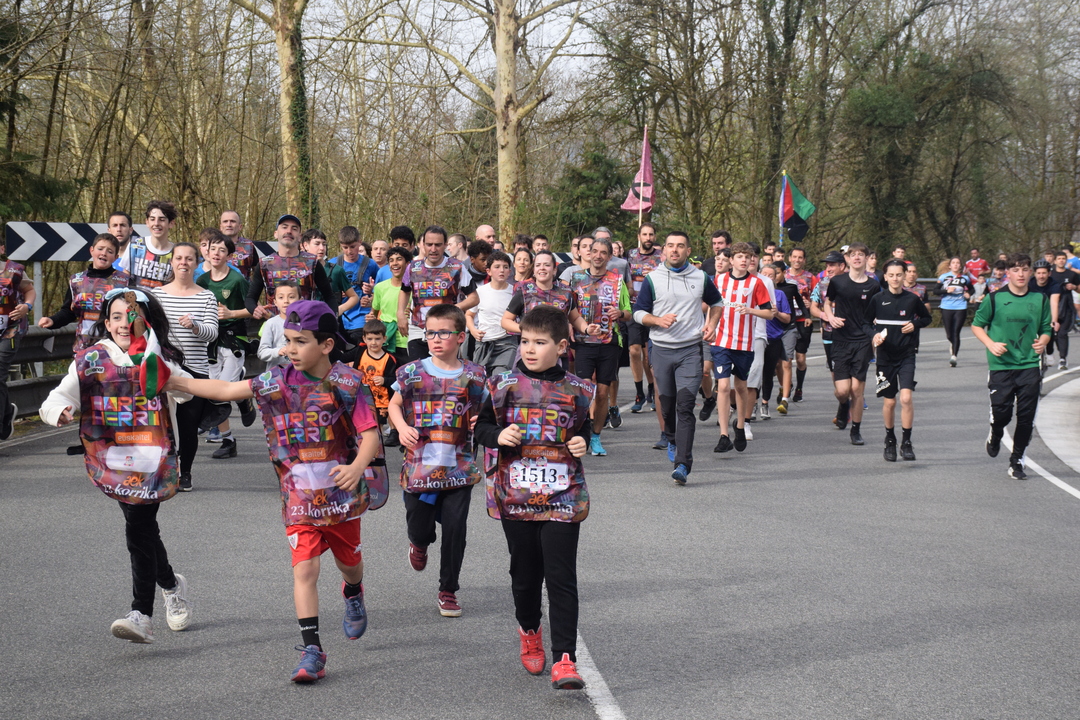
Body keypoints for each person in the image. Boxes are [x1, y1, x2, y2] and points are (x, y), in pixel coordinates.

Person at [165, 299, 384, 682]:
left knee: (349, 564)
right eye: (287, 340)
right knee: (305, 569)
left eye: (300, 341)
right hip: (298, 499)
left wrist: (356, 467)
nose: (290, 349)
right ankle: (312, 650)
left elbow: (370, 435)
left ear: (326, 345)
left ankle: (353, 592)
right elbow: (225, 389)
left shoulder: (348, 383)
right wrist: (173, 381)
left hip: (341, 497)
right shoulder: (276, 381)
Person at [40, 288, 192, 644]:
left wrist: (159, 365)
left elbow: (185, 392)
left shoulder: (158, 354)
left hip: (153, 459)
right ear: (107, 323)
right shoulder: (90, 360)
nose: (125, 324)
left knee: (138, 528)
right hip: (112, 460)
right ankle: (171, 585)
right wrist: (59, 411)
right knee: (143, 529)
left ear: (146, 320)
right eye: (117, 317)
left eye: (133, 316)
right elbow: (57, 396)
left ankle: (141, 614)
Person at [474, 305, 592, 689]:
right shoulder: (501, 385)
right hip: (517, 496)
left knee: (561, 577)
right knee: (525, 577)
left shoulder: (578, 390)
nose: (529, 348)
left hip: (563, 495)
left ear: (561, 347)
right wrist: (497, 435)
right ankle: (529, 630)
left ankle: (565, 659)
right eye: (525, 341)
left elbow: (583, 428)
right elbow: (481, 428)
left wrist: (582, 441)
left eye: (540, 343)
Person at [387, 305, 487, 618]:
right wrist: (401, 427)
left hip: (459, 467)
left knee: (456, 529)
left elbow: (489, 410)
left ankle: (448, 590)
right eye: (431, 333)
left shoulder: (475, 376)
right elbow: (394, 404)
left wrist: (483, 421)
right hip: (420, 467)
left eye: (444, 332)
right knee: (420, 527)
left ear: (461, 337)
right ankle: (419, 543)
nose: (436, 339)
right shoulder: (412, 372)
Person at [632, 231, 722, 484]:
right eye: (670, 245)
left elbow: (717, 303)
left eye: (680, 246)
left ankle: (682, 463)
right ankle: (670, 437)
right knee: (667, 405)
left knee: (685, 405)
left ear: (687, 251)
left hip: (690, 349)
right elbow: (638, 312)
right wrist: (656, 320)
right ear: (664, 251)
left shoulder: (700, 277)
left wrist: (711, 324)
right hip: (661, 349)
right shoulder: (653, 278)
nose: (674, 250)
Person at [972, 254, 1052, 480]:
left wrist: (1043, 341)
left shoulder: (1040, 299)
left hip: (1029, 365)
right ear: (1008, 273)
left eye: (1025, 269)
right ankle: (996, 432)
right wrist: (990, 344)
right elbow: (977, 325)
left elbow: (1046, 328)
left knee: (1026, 418)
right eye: (1016, 270)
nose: (1021, 274)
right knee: (1002, 414)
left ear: (1031, 273)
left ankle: (1017, 460)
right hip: (1001, 365)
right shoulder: (994, 298)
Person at [152, 243, 220, 490]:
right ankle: (163, 470)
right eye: (179, 258)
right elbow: (150, 332)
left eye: (189, 259)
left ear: (196, 263)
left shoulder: (206, 296)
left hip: (195, 371)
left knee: (188, 426)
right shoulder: (157, 295)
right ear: (172, 262)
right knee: (162, 424)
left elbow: (212, 333)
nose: (183, 263)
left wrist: (195, 326)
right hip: (165, 369)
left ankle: (186, 473)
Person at [705, 242, 774, 453]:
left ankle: (741, 426)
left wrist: (751, 310)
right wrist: (709, 326)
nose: (744, 260)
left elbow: (769, 313)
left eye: (747, 256)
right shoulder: (719, 280)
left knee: (741, 387)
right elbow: (712, 306)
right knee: (723, 386)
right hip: (721, 342)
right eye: (739, 256)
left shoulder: (756, 283)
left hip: (744, 343)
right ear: (731, 260)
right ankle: (723, 435)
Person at [568, 237, 631, 457]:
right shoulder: (576, 278)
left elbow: (629, 312)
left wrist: (620, 313)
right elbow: (567, 308)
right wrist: (569, 325)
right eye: (594, 251)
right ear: (587, 253)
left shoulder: (617, 280)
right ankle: (581, 433)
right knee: (584, 390)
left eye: (603, 252)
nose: (598, 256)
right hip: (583, 342)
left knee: (603, 393)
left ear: (609, 256)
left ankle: (595, 436)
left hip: (609, 342)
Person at [196, 228, 256, 458]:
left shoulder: (237, 280)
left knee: (219, 392)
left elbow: (253, 309)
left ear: (229, 256)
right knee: (215, 392)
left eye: (222, 250)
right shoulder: (201, 281)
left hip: (233, 340)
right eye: (213, 249)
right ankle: (229, 438)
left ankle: (238, 389)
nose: (216, 253)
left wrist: (232, 314)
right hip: (210, 342)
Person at [869, 259, 932, 462]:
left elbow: (927, 318)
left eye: (899, 275)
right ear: (885, 277)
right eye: (891, 275)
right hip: (885, 357)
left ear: (904, 276)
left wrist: (915, 324)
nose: (895, 278)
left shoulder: (912, 299)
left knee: (906, 398)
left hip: (906, 355)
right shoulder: (877, 299)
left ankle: (906, 442)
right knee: (890, 401)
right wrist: (874, 335)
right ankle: (890, 440)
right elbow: (864, 323)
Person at [822, 242, 880, 446]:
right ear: (847, 259)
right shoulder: (837, 281)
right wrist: (830, 318)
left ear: (866, 258)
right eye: (852, 254)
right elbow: (827, 303)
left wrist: (876, 331)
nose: (856, 257)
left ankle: (856, 430)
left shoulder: (873, 285)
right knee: (842, 391)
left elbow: (877, 310)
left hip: (863, 340)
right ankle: (842, 405)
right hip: (840, 339)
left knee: (856, 390)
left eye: (860, 254)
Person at [397, 226, 480, 361]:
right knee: (419, 370)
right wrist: (400, 313)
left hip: (446, 330)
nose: (433, 249)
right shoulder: (413, 267)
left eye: (438, 245)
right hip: (418, 328)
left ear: (445, 245)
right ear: (422, 245)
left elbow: (474, 298)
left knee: (445, 370)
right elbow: (405, 291)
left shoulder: (457, 267)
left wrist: (453, 309)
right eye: (429, 244)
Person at [39, 233, 131, 351]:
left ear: (116, 257)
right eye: (100, 249)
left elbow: (134, 313)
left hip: (115, 347)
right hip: (84, 346)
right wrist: (52, 320)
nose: (104, 253)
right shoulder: (76, 280)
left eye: (109, 251)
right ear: (91, 250)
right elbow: (69, 312)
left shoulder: (125, 282)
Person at [244, 214, 336, 320]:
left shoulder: (312, 262)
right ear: (276, 234)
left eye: (294, 228)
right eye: (284, 227)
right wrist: (255, 309)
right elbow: (250, 298)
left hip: (305, 323)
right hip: (274, 322)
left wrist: (331, 317)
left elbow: (329, 296)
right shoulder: (264, 264)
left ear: (300, 236)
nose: (289, 231)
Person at [626, 222, 663, 415]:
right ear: (639, 236)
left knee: (649, 356)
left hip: (654, 309)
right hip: (634, 307)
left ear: (655, 237)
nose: (648, 238)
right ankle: (639, 393)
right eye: (644, 234)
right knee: (634, 351)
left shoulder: (661, 257)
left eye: (651, 234)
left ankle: (652, 389)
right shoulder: (630, 256)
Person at [468, 251, 517, 376]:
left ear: (510, 271)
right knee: (480, 379)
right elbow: (469, 314)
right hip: (484, 342)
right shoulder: (480, 291)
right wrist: (473, 330)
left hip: (507, 343)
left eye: (505, 267)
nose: (502, 270)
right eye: (497, 267)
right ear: (488, 271)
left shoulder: (515, 292)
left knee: (499, 376)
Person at [328, 226, 378, 344]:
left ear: (360, 242)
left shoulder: (370, 264)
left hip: (361, 318)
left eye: (352, 247)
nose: (349, 251)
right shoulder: (332, 264)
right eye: (345, 247)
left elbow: (382, 289)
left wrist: (372, 292)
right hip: (338, 318)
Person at [762, 263, 799, 415]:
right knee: (754, 372)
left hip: (774, 337)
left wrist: (776, 313)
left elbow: (787, 318)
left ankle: (765, 403)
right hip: (756, 337)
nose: (767, 278)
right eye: (764, 275)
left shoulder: (779, 295)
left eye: (771, 275)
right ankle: (753, 404)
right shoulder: (752, 292)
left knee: (769, 371)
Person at [355, 317, 398, 447]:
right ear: (364, 339)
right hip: (363, 396)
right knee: (367, 423)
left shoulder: (389, 358)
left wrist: (384, 380)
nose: (373, 342)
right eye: (370, 339)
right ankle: (370, 445)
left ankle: (389, 438)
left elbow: (395, 379)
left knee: (380, 422)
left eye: (377, 339)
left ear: (384, 339)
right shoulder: (360, 352)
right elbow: (343, 358)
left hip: (382, 399)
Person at [784, 246, 817, 403]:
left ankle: (799, 387)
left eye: (800, 257)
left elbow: (819, 298)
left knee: (801, 359)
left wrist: (811, 304)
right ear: (789, 258)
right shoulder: (782, 275)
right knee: (786, 359)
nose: (797, 260)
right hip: (786, 321)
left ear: (804, 260)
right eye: (794, 257)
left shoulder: (810, 278)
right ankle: (787, 385)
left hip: (803, 321)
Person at [120, 200, 177, 288]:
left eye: (162, 220)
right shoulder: (135, 245)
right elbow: (125, 275)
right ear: (147, 222)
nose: (156, 223)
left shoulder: (176, 252)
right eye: (152, 219)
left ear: (171, 223)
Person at [302, 229, 357, 317]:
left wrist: (338, 310)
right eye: (317, 244)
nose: (321, 248)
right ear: (305, 245)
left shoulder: (336, 271)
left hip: (328, 319)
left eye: (324, 244)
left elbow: (354, 297)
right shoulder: (298, 271)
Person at [371, 246, 410, 366]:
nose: (395, 263)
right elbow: (374, 313)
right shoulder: (380, 287)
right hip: (386, 341)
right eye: (391, 260)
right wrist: (371, 318)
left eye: (399, 259)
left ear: (407, 264)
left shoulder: (415, 288)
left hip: (407, 341)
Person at [935, 257, 974, 367]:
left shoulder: (965, 278)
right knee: (949, 334)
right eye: (953, 263)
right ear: (950, 266)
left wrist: (968, 294)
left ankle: (954, 356)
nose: (956, 265)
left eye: (958, 263)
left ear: (960, 266)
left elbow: (972, 289)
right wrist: (946, 290)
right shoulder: (943, 277)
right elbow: (935, 291)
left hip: (960, 307)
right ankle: (953, 345)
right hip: (946, 306)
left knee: (956, 332)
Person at [1028, 259, 1062, 373]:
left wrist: (1054, 321)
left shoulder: (1054, 285)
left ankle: (1050, 352)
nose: (1041, 276)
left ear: (1049, 273)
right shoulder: (1029, 283)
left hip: (1047, 311)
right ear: (1034, 273)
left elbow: (1054, 303)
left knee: (1049, 327)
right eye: (1038, 273)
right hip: (1033, 310)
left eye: (1044, 273)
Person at [258, 282, 300, 370]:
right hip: (277, 374)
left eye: (291, 297)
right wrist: (278, 351)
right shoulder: (271, 323)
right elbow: (262, 352)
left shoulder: (306, 323)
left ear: (300, 300)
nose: (286, 301)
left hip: (300, 372)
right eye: (281, 297)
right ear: (275, 302)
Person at [1050, 250, 1079, 369]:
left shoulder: (1072, 274)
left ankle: (1063, 358)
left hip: (1067, 307)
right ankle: (1050, 354)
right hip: (1052, 306)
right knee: (1053, 333)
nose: (1061, 261)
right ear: (1055, 261)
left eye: (1063, 259)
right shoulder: (1050, 274)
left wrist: (1074, 287)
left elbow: (1079, 289)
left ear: (1066, 260)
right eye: (1059, 259)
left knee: (1062, 333)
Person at [219, 210, 257, 280]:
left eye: (233, 221)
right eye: (225, 221)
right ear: (221, 227)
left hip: (243, 285)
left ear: (240, 226)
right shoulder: (213, 245)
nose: (229, 225)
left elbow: (257, 272)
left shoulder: (249, 246)